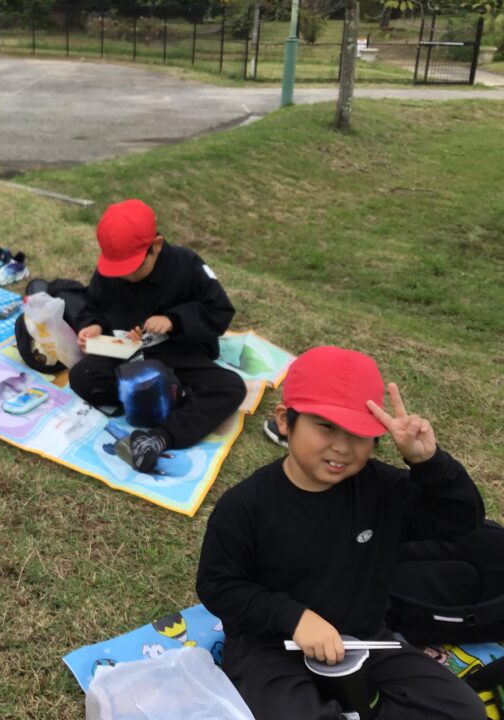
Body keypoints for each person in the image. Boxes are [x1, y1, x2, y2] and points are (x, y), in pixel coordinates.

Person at [196, 346, 486, 720]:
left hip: (363, 638)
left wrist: (428, 462)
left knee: (464, 710)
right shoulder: (245, 505)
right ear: (285, 421)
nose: (342, 447)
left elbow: (462, 519)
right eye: (326, 427)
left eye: (358, 434)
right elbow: (218, 585)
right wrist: (294, 618)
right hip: (272, 647)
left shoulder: (384, 490)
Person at [70, 198, 246, 473]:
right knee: (82, 376)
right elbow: (94, 305)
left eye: (134, 268)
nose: (126, 277)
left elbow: (219, 312)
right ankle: (168, 396)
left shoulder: (186, 265)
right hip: (130, 355)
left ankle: (160, 436)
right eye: (119, 271)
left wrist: (174, 321)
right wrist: (93, 326)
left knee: (231, 388)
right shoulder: (112, 268)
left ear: (157, 245)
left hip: (177, 352)